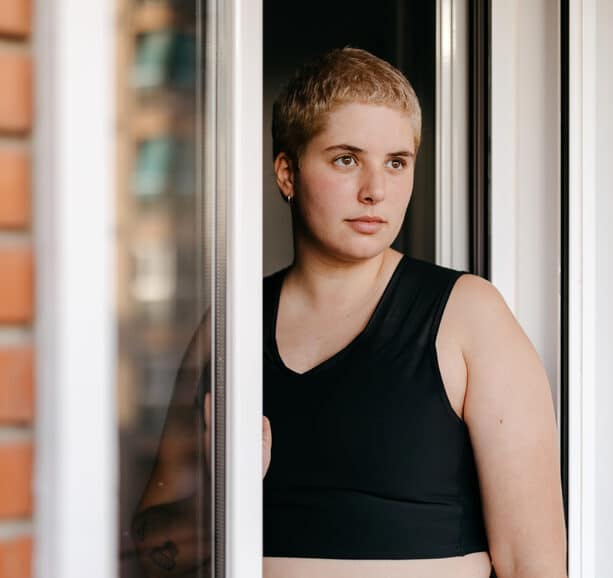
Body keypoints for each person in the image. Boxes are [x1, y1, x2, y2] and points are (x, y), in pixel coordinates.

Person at [261, 47, 567, 578]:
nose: (375, 191)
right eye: (346, 159)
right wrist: (215, 483)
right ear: (287, 174)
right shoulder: (231, 324)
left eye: (396, 163)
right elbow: (153, 546)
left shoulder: (469, 315)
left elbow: (532, 564)